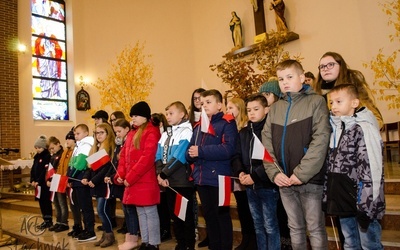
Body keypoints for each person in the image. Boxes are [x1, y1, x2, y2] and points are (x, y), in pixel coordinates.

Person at [263, 60, 330, 250]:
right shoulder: (275, 108)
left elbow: (321, 139)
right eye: (281, 79)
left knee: (315, 228)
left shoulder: (316, 102)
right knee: (295, 228)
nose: (284, 82)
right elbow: (266, 144)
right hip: (284, 179)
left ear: (302, 78)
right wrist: (275, 173)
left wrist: (301, 173)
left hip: (309, 179)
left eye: (289, 77)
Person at [323, 84, 385, 250]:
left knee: (370, 245)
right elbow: (332, 166)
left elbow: (373, 169)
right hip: (343, 200)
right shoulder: (335, 129)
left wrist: (367, 205)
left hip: (363, 201)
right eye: (331, 103)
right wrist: (328, 196)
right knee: (350, 243)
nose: (333, 106)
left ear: (354, 103)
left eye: (338, 101)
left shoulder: (364, 128)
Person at [186, 89, 238, 250]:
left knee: (221, 215)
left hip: (220, 178)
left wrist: (200, 151)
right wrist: (190, 154)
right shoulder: (199, 126)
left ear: (219, 105)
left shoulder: (226, 123)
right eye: (202, 103)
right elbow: (189, 152)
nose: (204, 106)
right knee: (209, 216)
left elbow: (228, 149)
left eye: (208, 102)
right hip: (202, 178)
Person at [232, 94, 280, 250]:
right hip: (250, 186)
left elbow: (272, 159)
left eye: (256, 109)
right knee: (257, 225)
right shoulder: (244, 132)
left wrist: (254, 176)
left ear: (266, 109)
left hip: (267, 185)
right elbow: (237, 155)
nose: (251, 113)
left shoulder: (271, 131)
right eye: (249, 110)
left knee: (270, 225)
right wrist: (240, 172)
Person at [115, 101, 161, 250]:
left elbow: (147, 158)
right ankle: (146, 242)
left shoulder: (151, 131)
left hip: (145, 179)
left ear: (144, 116)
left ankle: (153, 243)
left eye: (135, 115)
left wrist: (130, 177)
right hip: (133, 180)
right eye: (131, 116)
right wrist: (121, 175)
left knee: (150, 211)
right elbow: (124, 157)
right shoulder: (132, 133)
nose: (132, 118)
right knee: (141, 212)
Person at [156, 101, 195, 250]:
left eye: (171, 113)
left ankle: (189, 245)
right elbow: (158, 154)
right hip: (168, 181)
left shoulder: (187, 131)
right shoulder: (166, 133)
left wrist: (164, 174)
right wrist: (160, 174)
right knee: (175, 216)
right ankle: (180, 243)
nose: (168, 116)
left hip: (181, 181)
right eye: (167, 114)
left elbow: (180, 156)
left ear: (182, 114)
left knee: (185, 215)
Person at [259, 78, 292, 249]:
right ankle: (282, 243)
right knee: (278, 213)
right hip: (272, 171)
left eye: (267, 94)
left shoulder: (282, 113)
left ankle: (288, 242)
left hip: (285, 168)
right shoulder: (264, 116)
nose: (263, 97)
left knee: (288, 214)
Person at [314, 51, 383, 128]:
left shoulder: (354, 86)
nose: (325, 69)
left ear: (341, 66)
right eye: (322, 66)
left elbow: (376, 119)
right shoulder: (316, 94)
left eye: (330, 65)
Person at [226, 97, 257, 250]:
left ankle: (253, 240)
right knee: (242, 210)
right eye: (227, 108)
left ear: (239, 108)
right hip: (236, 174)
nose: (228, 111)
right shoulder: (230, 127)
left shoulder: (246, 127)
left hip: (247, 174)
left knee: (250, 210)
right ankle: (246, 238)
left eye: (231, 108)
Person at [84, 123, 116, 247]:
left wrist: (95, 180)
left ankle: (109, 234)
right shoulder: (96, 148)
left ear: (108, 133)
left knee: (101, 210)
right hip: (96, 184)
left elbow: (107, 168)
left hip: (104, 183)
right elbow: (90, 167)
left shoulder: (110, 148)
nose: (98, 135)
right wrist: (87, 177)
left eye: (101, 132)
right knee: (102, 211)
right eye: (96, 133)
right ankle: (105, 235)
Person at [67, 124, 96, 242]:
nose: (75, 136)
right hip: (76, 180)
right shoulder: (78, 146)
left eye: (78, 133)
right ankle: (85, 229)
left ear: (86, 133)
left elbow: (80, 164)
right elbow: (71, 163)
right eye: (75, 134)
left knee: (86, 207)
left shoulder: (86, 144)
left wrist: (70, 177)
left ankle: (90, 230)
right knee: (81, 207)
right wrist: (69, 176)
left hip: (81, 179)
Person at [152, 112, 172, 242]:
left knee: (165, 206)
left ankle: (166, 230)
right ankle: (161, 229)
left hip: (165, 174)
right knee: (159, 206)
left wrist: (161, 172)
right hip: (156, 173)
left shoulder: (165, 135)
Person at [47, 136, 70, 232]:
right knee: (56, 203)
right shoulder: (53, 156)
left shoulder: (63, 154)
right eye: (50, 149)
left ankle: (64, 222)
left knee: (62, 203)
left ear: (58, 144)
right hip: (53, 181)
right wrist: (48, 179)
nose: (52, 150)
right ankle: (58, 221)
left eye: (53, 148)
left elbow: (60, 168)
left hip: (59, 180)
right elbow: (50, 169)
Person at [30, 135, 52, 229]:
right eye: (36, 148)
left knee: (46, 202)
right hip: (37, 184)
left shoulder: (47, 156)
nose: (37, 149)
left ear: (44, 147)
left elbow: (45, 171)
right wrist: (32, 180)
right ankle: (45, 219)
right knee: (41, 202)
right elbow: (33, 169)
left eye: (39, 148)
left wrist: (38, 181)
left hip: (44, 184)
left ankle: (49, 220)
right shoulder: (36, 157)